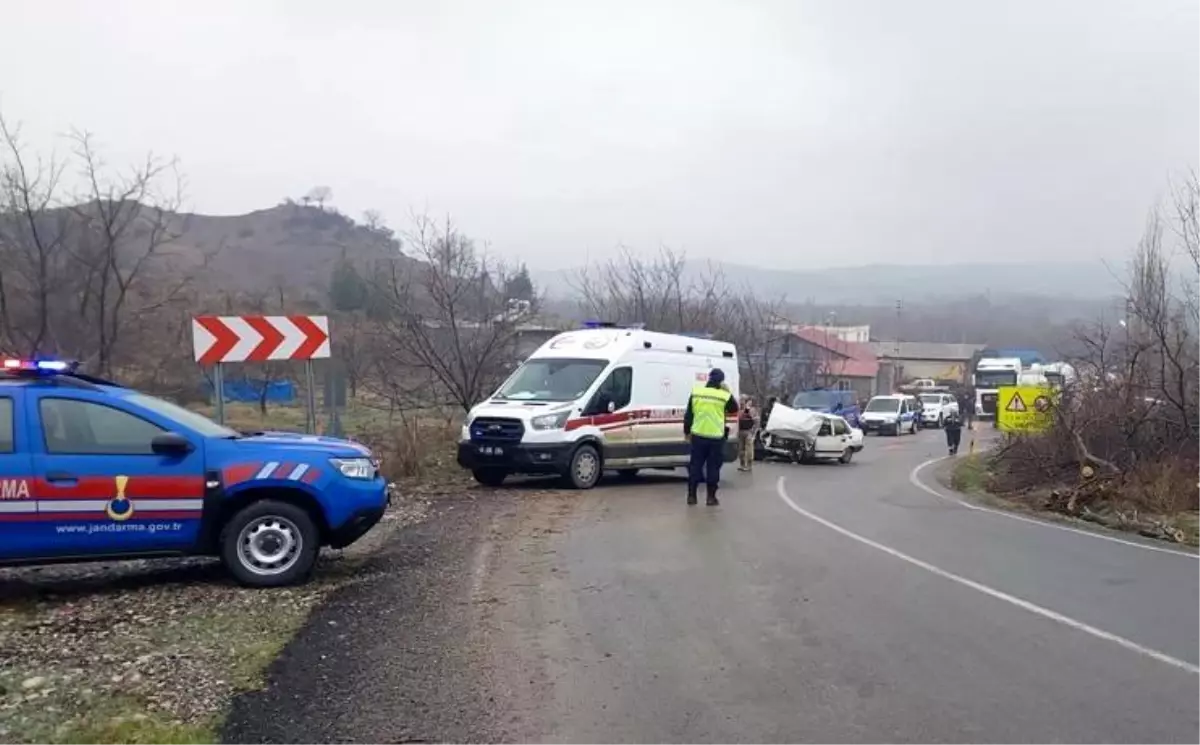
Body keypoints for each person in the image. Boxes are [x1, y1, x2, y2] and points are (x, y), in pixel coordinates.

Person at [684, 368, 738, 505]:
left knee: (695, 466)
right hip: (715, 437)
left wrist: (687, 432)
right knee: (713, 468)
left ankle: (691, 496)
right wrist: (727, 392)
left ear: (709, 378)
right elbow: (734, 408)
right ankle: (711, 497)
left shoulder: (697, 392)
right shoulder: (723, 395)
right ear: (721, 381)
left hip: (698, 435)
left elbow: (689, 414)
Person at [737, 395, 758, 472]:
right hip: (741, 431)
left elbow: (756, 422)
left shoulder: (751, 410)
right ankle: (742, 464)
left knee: (749, 449)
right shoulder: (739, 410)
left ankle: (749, 466)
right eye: (740, 400)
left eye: (743, 400)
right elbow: (739, 418)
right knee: (741, 449)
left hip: (748, 431)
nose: (741, 401)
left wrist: (753, 432)